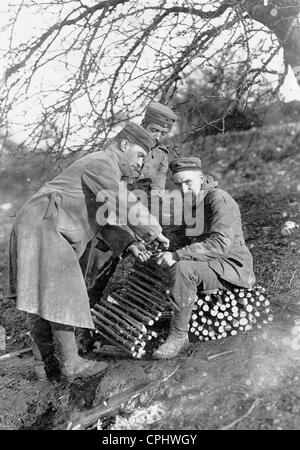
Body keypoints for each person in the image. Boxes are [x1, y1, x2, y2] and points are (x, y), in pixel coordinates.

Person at [9, 122, 169, 380]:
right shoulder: (103, 162)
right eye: (140, 155)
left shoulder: (101, 168)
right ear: (124, 145)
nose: (142, 163)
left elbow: (103, 218)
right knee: (63, 290)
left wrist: (129, 242)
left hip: (37, 223)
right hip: (45, 224)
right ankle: (72, 365)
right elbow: (121, 200)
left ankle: (48, 367)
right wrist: (153, 229)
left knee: (39, 297)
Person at [153, 157, 256, 359]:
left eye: (188, 182)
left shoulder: (219, 200)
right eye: (178, 184)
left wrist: (176, 255)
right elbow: (188, 237)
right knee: (168, 263)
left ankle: (178, 335)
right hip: (212, 265)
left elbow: (220, 244)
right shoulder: (194, 202)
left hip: (232, 268)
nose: (183, 189)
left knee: (183, 268)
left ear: (201, 178)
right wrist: (165, 244)